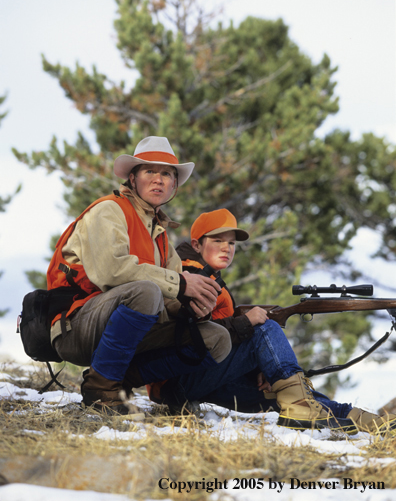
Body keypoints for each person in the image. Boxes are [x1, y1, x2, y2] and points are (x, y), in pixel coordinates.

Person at [152, 209, 396, 435]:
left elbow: (216, 341)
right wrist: (247, 324)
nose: (227, 248)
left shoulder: (209, 278)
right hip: (178, 380)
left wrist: (260, 368)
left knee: (284, 392)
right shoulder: (192, 276)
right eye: (218, 240)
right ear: (197, 244)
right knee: (264, 327)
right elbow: (189, 337)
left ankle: (359, 419)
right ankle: (304, 408)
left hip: (195, 382)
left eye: (232, 243)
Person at [46, 137, 231, 414]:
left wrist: (191, 307)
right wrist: (181, 283)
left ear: (174, 185)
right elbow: (112, 271)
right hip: (75, 327)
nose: (159, 180)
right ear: (132, 179)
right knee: (146, 291)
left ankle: (122, 379)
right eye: (150, 171)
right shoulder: (108, 210)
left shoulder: (161, 235)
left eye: (167, 173)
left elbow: (170, 299)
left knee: (217, 339)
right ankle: (100, 389)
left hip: (123, 329)